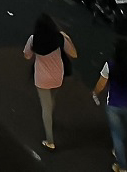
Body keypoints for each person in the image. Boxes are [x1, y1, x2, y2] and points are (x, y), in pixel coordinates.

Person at [22, 13, 76, 151]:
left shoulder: (34, 39)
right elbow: (74, 54)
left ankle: (50, 140)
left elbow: (27, 56)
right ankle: (51, 118)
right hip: (58, 76)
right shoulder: (59, 38)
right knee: (52, 99)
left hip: (41, 78)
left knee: (45, 107)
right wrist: (66, 37)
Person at [93, 38, 127, 172]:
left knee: (117, 136)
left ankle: (122, 166)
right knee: (121, 128)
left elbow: (101, 84)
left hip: (113, 105)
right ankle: (118, 151)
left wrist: (95, 93)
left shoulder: (110, 65)